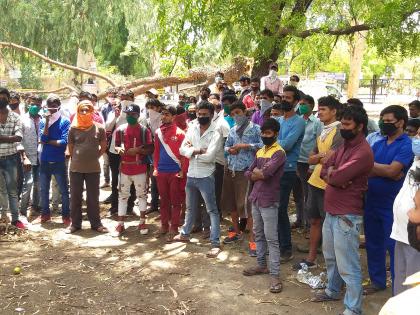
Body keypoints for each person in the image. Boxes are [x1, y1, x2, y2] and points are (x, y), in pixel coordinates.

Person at [311, 106, 374, 315]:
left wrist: (335, 174)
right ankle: (333, 289)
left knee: (348, 263)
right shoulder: (345, 145)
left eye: (347, 125)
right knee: (330, 256)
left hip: (347, 215)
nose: (343, 128)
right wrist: (334, 173)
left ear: (360, 126)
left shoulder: (363, 151)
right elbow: (325, 168)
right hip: (332, 210)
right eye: (342, 124)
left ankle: (353, 308)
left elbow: (335, 176)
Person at [364, 105, 414, 295]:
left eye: (389, 121)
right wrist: (386, 170)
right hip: (372, 200)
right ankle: (377, 281)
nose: (384, 124)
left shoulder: (407, 145)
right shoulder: (378, 143)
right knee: (373, 243)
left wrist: (378, 168)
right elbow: (368, 167)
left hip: (393, 205)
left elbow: (393, 171)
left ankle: (398, 290)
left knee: (395, 249)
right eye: (383, 121)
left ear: (401, 122)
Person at [293, 96, 342, 269]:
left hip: (329, 184)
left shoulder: (339, 131)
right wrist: (320, 157)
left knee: (330, 225)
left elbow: (331, 158)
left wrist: (319, 157)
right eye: (319, 109)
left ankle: (333, 266)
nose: (319, 112)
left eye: (323, 109)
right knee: (314, 220)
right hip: (315, 181)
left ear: (334, 111)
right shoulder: (323, 130)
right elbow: (311, 158)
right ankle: (311, 258)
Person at [242, 118, 286, 293]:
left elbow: (266, 173)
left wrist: (256, 173)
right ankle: (262, 265)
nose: (264, 136)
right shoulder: (260, 151)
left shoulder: (279, 153)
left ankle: (275, 274)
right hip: (257, 197)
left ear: (276, 134)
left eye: (268, 133)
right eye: (263, 133)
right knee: (258, 233)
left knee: (271, 238)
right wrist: (256, 173)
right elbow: (248, 171)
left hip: (269, 199)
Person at [175, 101, 222, 258]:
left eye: (204, 114)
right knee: (190, 208)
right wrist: (196, 150)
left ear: (211, 114)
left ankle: (215, 243)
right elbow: (182, 149)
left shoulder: (216, 133)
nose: (201, 116)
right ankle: (185, 234)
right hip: (191, 174)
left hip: (206, 175)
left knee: (212, 210)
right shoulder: (192, 128)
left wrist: (191, 153)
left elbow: (209, 158)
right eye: (199, 114)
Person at [222, 102, 263, 255]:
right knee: (231, 202)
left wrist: (245, 146)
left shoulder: (256, 129)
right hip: (231, 169)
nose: (235, 116)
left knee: (246, 205)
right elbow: (226, 146)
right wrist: (230, 150)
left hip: (246, 171)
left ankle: (253, 239)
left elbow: (261, 146)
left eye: (238, 112)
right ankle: (236, 232)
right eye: (232, 114)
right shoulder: (232, 130)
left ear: (245, 112)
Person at [66, 101, 108, 233]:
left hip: (93, 168)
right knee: (75, 197)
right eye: (82, 110)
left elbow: (104, 146)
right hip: (76, 168)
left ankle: (96, 224)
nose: (84, 112)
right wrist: (77, 159)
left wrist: (95, 156)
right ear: (78, 111)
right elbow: (71, 147)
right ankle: (75, 224)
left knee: (93, 197)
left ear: (92, 111)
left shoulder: (99, 127)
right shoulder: (73, 128)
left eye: (87, 110)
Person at [113, 104, 154, 236]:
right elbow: (116, 147)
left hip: (140, 167)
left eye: (133, 115)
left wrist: (138, 151)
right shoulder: (120, 130)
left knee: (141, 195)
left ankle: (142, 221)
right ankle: (120, 224)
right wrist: (120, 150)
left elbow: (150, 148)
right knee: (122, 196)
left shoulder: (144, 131)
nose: (130, 117)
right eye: (128, 114)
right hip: (124, 167)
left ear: (138, 115)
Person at [275, 85, 305, 263]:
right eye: (283, 97)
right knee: (273, 208)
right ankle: (277, 244)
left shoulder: (299, 122)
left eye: (288, 98)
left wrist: (270, 140)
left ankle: (286, 248)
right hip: (273, 168)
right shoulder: (279, 120)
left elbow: (286, 145)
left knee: (281, 209)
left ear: (295, 102)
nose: (284, 100)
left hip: (287, 169)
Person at [390, 133, 420, 295]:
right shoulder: (416, 161)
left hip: (416, 237)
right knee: (401, 279)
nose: (416, 137)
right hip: (402, 232)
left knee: (413, 287)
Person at [153, 105, 187, 242]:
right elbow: (156, 152)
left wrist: (182, 170)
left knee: (176, 201)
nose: (164, 117)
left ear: (173, 117)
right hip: (161, 171)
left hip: (175, 172)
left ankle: (174, 227)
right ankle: (164, 226)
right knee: (164, 200)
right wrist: (155, 167)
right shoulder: (158, 133)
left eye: (167, 114)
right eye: (163, 114)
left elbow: (184, 155)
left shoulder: (181, 133)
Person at [38, 94, 71, 225]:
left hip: (58, 160)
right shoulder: (42, 121)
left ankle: (66, 216)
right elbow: (42, 139)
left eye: (54, 107)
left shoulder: (65, 121)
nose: (51, 109)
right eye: (49, 107)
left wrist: (47, 142)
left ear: (58, 107)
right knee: (44, 190)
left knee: (63, 190)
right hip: (45, 160)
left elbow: (63, 142)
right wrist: (46, 121)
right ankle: (45, 214)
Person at [292, 95, 322, 231]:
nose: (301, 106)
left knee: (308, 195)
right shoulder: (297, 121)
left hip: (307, 164)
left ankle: (310, 225)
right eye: (300, 103)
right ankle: (300, 219)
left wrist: (312, 166)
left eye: (304, 104)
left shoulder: (316, 123)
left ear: (311, 106)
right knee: (297, 194)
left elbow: (318, 144)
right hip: (295, 162)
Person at [105, 90, 137, 214]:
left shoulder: (138, 113)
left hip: (132, 151)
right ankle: (115, 206)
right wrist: (116, 117)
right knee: (115, 178)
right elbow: (107, 127)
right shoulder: (114, 112)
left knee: (132, 178)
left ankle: (129, 206)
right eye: (122, 98)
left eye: (127, 98)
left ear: (132, 98)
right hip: (114, 150)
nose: (124, 100)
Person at [0, 88, 24, 229]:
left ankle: (15, 219)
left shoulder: (15, 117)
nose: (1, 99)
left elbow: (19, 137)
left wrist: (1, 138)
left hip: (11, 158)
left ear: (8, 99)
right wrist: (10, 138)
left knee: (12, 190)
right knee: (1, 190)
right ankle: (3, 218)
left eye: (4, 97)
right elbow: (14, 137)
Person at [19, 95, 42, 219]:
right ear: (28, 103)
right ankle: (22, 211)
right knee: (27, 184)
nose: (35, 106)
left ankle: (35, 207)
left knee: (39, 184)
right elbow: (18, 140)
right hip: (27, 158)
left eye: (38, 104)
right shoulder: (22, 119)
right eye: (33, 103)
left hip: (41, 157)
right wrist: (23, 157)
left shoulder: (43, 119)